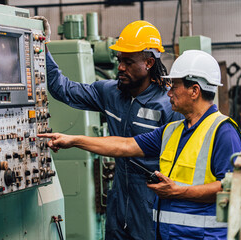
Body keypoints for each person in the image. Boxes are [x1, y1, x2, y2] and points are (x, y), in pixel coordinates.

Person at [39, 50, 241, 240]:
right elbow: (124, 146)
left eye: (174, 86)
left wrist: (177, 191)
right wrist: (73, 140)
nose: (169, 92)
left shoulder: (223, 132)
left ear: (194, 91)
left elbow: (232, 187)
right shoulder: (172, 131)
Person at [42, 19, 183, 239]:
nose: (121, 68)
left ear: (148, 62)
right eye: (119, 61)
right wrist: (41, 48)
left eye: (128, 61)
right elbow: (63, 89)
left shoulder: (168, 104)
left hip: (151, 199)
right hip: (119, 197)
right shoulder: (110, 94)